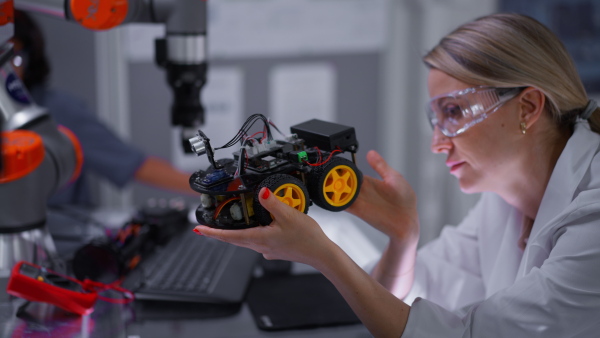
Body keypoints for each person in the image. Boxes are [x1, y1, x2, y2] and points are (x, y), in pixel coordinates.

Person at [194, 13, 600, 337]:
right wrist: (402, 238)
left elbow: (464, 334)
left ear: (528, 107)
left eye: (454, 112)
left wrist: (324, 255)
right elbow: (402, 303)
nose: (437, 144)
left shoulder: (593, 219)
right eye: (435, 119)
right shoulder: (502, 203)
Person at [12, 10, 195, 207]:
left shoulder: (57, 111)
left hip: (58, 232)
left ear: (29, 59)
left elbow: (136, 165)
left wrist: (218, 189)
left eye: (12, 58)